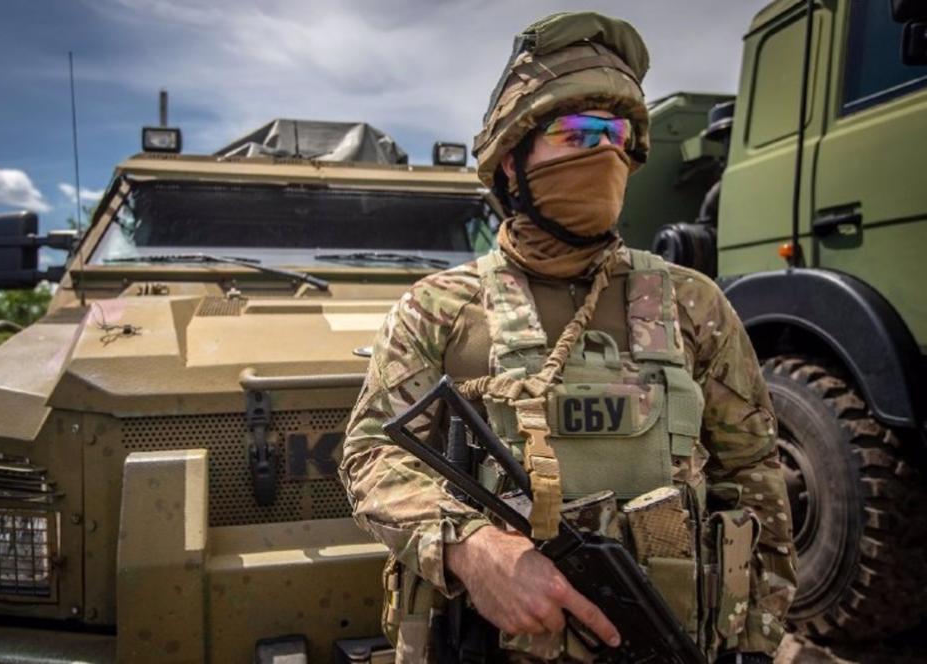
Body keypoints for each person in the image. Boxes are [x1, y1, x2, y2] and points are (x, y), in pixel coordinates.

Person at [340, 11, 796, 663]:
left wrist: (757, 639)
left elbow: (753, 476)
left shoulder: (692, 305)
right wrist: (469, 546)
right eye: (576, 131)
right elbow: (370, 457)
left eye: (615, 134)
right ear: (510, 159)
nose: (603, 150)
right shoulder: (439, 309)